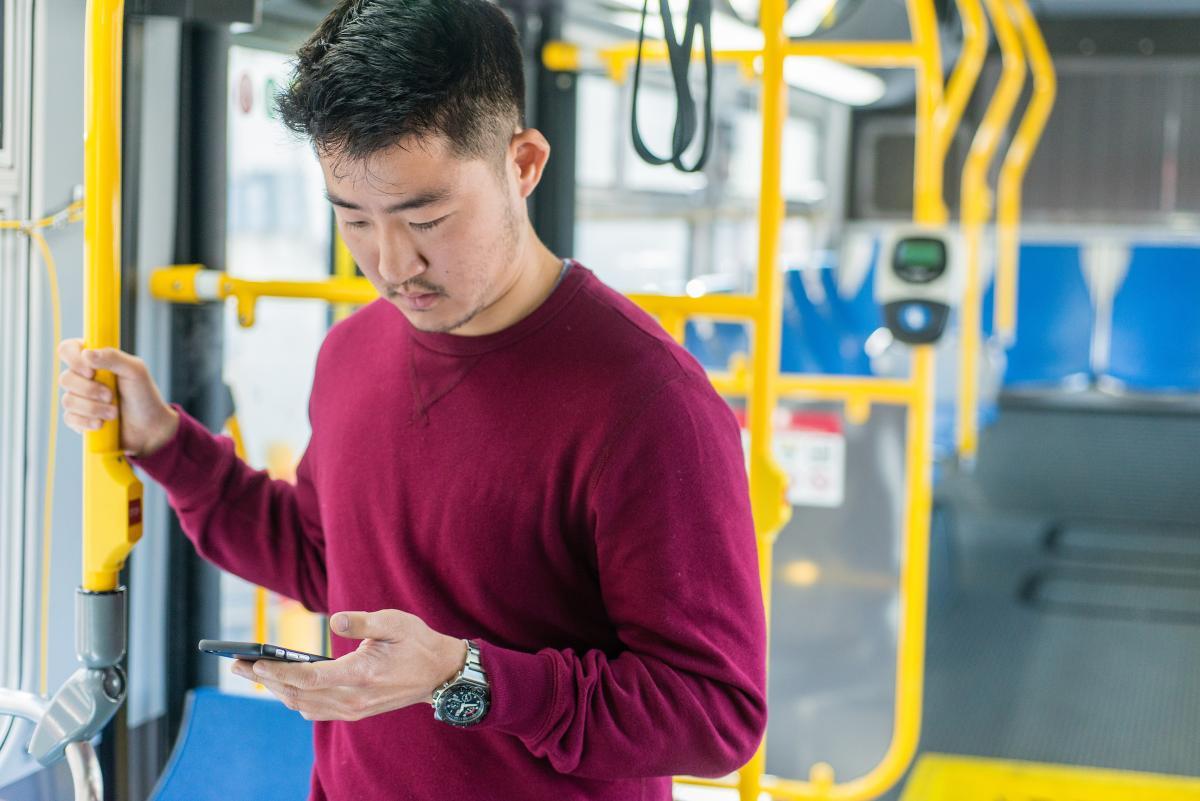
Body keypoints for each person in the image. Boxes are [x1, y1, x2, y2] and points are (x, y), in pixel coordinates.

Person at [58, 0, 767, 798]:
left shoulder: (649, 403)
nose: (392, 264)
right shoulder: (351, 351)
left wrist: (463, 678)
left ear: (524, 164)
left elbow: (717, 715)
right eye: (354, 219)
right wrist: (165, 444)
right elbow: (328, 562)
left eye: (425, 216)